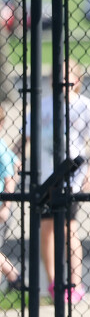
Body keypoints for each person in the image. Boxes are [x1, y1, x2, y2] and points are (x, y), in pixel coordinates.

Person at [15, 61, 90, 303]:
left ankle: (74, 284)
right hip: (45, 180)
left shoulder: (86, 107)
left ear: (77, 80)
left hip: (70, 179)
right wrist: (13, 159)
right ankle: (54, 285)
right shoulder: (41, 107)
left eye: (67, 76)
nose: (62, 80)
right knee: (46, 231)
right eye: (57, 76)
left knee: (67, 229)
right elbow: (23, 141)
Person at [0, 105, 23, 292]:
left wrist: (6, 207)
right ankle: (14, 278)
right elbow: (16, 162)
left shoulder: (0, 147)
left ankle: (15, 277)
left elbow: (10, 179)